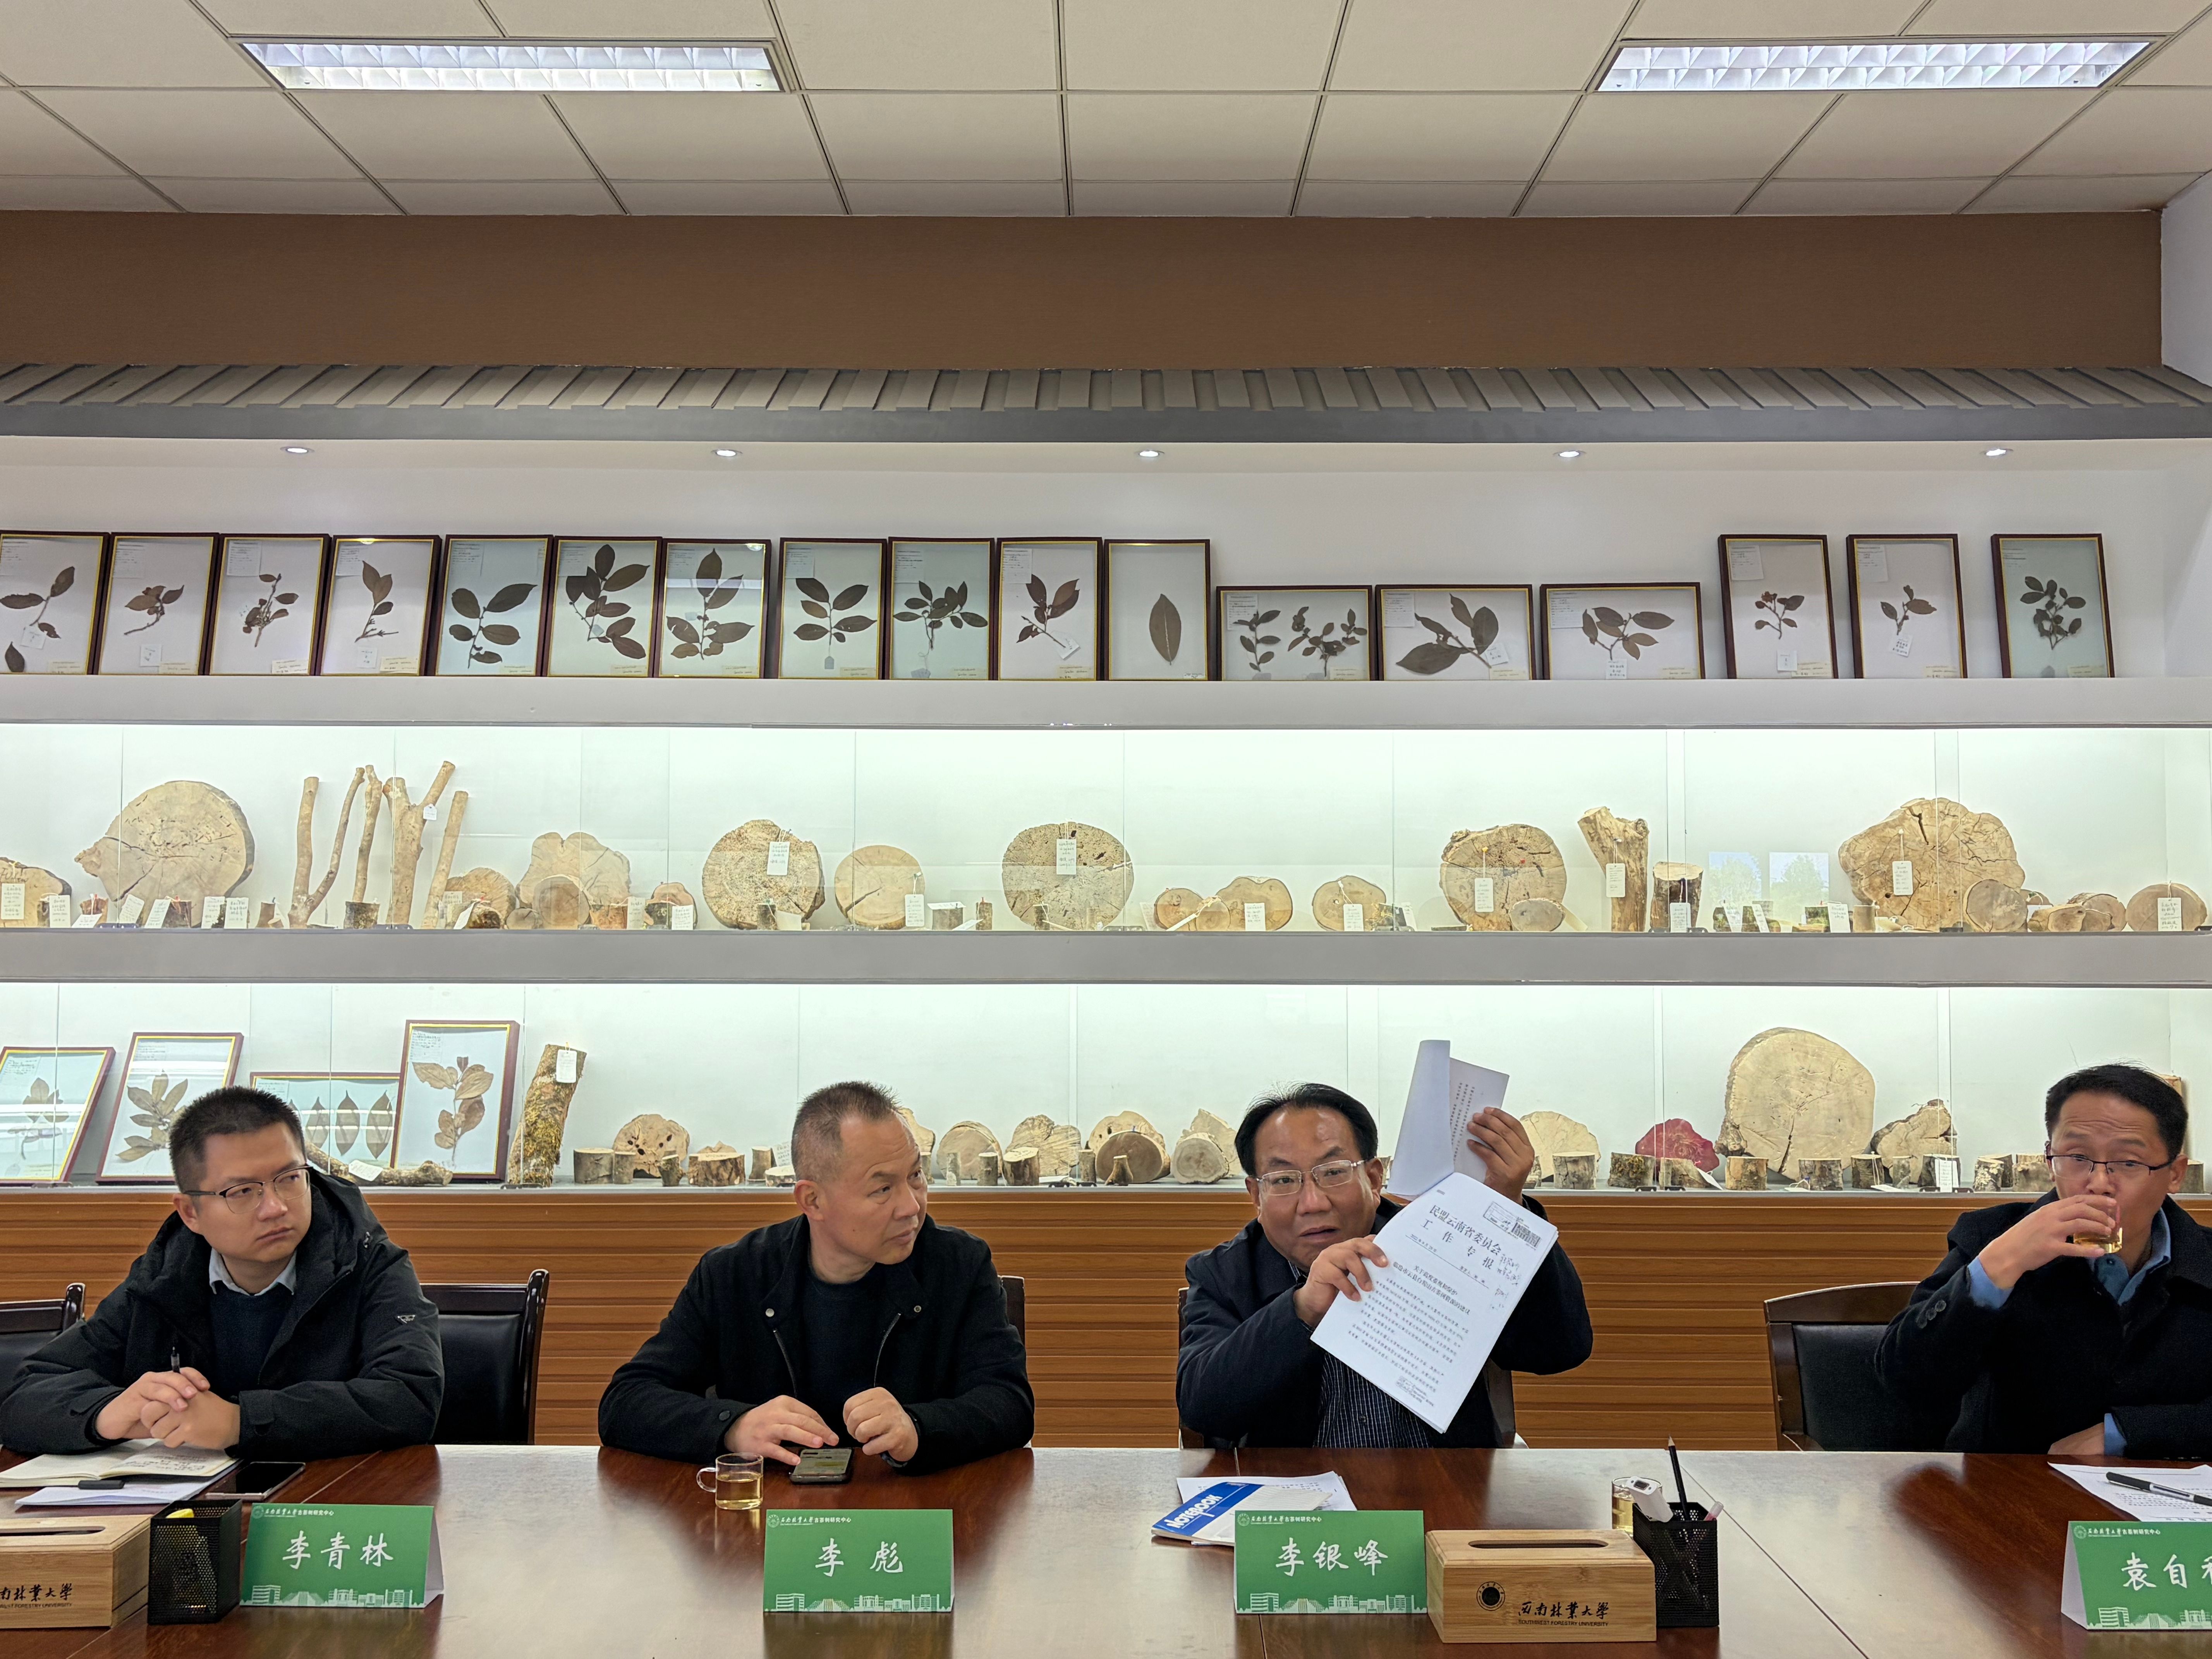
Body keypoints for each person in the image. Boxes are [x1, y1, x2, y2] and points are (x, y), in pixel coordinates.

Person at [599, 1080, 1032, 1474]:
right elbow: (626, 1402)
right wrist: (734, 1427)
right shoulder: (733, 1275)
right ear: (813, 1201)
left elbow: (1009, 1403)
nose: (912, 1206)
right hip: (771, 1520)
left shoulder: (959, 1265)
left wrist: (919, 1427)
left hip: (912, 1513)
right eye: (882, 1189)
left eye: (915, 1176)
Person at [0, 1086, 443, 1458]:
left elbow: (410, 1398)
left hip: (334, 1505)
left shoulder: (365, 1260)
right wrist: (106, 1414)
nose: (276, 1208)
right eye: (243, 1191)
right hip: (190, 1513)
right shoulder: (162, 1280)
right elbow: (26, 1396)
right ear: (191, 1212)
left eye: (290, 1178)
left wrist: (239, 1422)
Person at [1178, 1082, 1592, 1448]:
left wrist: (1508, 1211)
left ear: (1374, 1179)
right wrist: (1302, 1308)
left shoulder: (1437, 1244)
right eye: (1284, 1180)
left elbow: (1558, 1350)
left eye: (1333, 1172)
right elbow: (1205, 1409)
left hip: (1443, 1487)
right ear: (1256, 1195)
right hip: (1298, 1499)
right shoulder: (1223, 1275)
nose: (1313, 1203)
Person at [1877, 1062, 2212, 1456]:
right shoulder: (1991, 1236)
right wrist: (1995, 1269)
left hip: (2167, 1486)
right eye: (2077, 1157)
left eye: (2128, 1162)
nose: (2098, 1183)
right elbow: (1907, 1383)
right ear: (2050, 1160)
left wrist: (2124, 1433)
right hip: (2011, 1483)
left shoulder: (2203, 1257)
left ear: (2175, 1174)